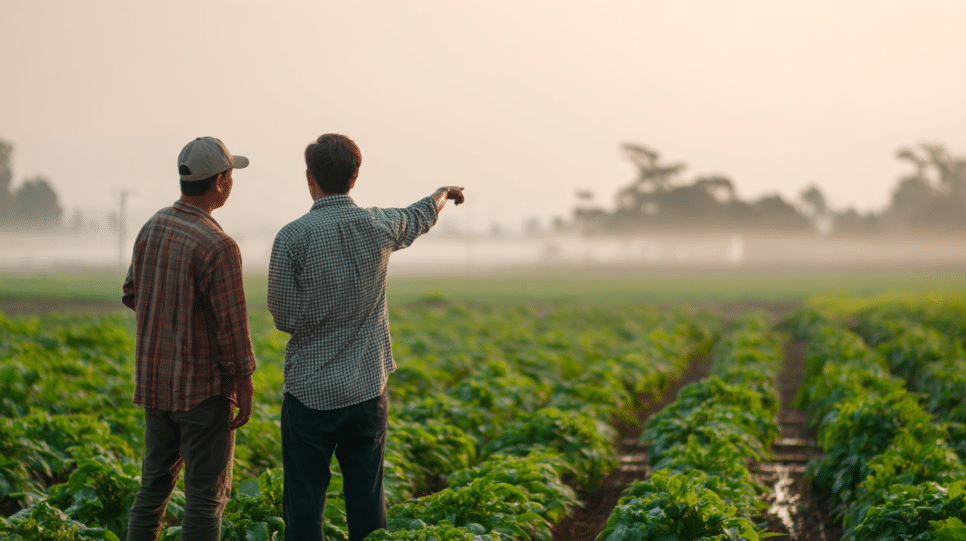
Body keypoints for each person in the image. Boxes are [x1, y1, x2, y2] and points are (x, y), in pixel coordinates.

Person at [267, 133, 464, 541]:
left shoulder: (291, 237)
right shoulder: (380, 224)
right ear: (354, 177)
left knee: (304, 503)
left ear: (310, 178)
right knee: (367, 502)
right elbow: (422, 214)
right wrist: (444, 192)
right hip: (366, 391)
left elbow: (284, 318)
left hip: (309, 394)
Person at [123, 136, 257, 541]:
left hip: (155, 386)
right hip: (203, 392)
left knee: (152, 490)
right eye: (230, 175)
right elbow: (233, 331)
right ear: (219, 182)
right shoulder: (218, 246)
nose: (231, 182)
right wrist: (244, 384)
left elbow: (132, 293)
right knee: (204, 499)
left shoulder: (152, 226)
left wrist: (170, 325)